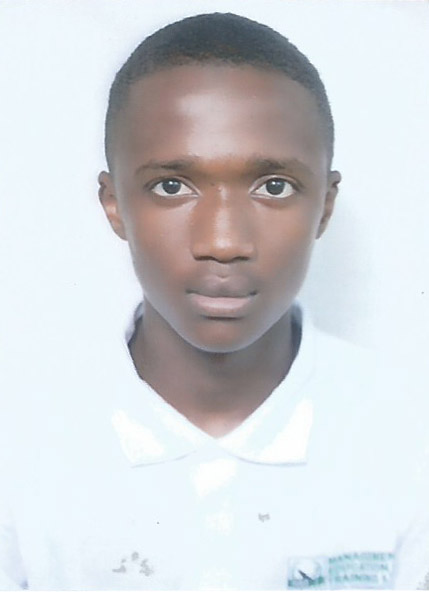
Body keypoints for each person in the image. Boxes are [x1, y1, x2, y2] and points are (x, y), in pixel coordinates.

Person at [0, 11, 425, 590]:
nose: (223, 242)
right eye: (171, 186)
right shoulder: (22, 443)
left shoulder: (409, 438)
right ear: (114, 204)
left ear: (325, 205)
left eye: (274, 186)